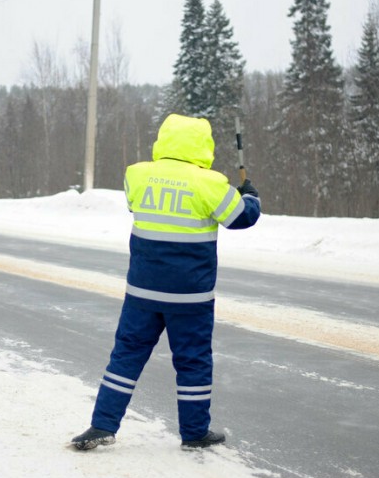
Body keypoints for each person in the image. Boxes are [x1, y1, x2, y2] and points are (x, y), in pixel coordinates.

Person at [71, 113, 261, 450]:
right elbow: (240, 218)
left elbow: (134, 204)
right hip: (190, 297)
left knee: (125, 357)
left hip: (142, 293)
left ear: (164, 140)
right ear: (203, 146)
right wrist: (250, 196)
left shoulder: (138, 175)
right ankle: (194, 432)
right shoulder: (211, 183)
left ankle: (101, 425)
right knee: (193, 362)